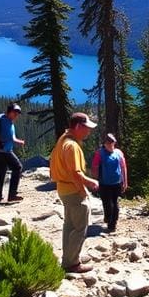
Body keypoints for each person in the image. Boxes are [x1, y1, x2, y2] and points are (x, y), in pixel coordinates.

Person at [49, 111, 100, 273]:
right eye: (86, 128)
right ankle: (72, 263)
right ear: (78, 126)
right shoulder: (72, 146)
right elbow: (76, 173)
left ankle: (69, 256)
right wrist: (89, 184)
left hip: (63, 190)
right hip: (72, 191)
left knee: (69, 225)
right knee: (80, 227)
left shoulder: (63, 140)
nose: (89, 131)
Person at [90, 133, 128, 233]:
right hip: (105, 183)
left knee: (113, 203)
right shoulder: (100, 153)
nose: (110, 144)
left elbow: (123, 167)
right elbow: (95, 167)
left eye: (112, 143)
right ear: (105, 143)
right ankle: (109, 220)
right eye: (108, 143)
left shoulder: (117, 153)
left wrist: (125, 182)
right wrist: (95, 180)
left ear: (114, 143)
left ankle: (112, 224)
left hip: (115, 183)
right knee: (108, 203)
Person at [0, 102, 26, 205]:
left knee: (1, 171)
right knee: (17, 167)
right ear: (9, 112)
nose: (16, 115)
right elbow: (9, 138)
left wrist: (17, 140)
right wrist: (18, 142)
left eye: (17, 113)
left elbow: (12, 137)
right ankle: (12, 195)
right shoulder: (5, 122)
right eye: (14, 113)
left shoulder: (3, 119)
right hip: (5, 151)